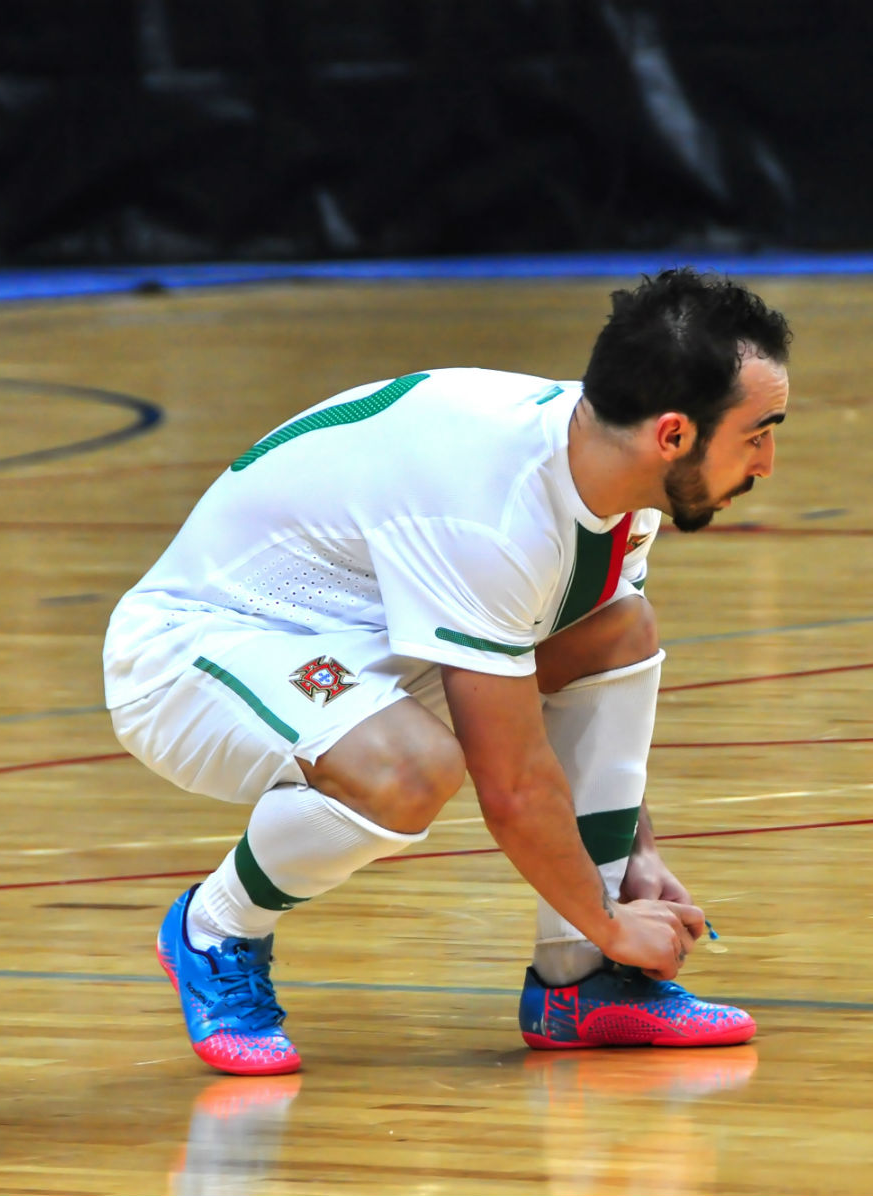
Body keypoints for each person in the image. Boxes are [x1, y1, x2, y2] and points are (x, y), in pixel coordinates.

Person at [103, 267, 791, 1075]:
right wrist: (614, 920)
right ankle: (214, 927)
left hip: (366, 637)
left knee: (616, 629)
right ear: (673, 435)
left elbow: (571, 705)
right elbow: (514, 785)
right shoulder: (493, 510)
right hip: (199, 651)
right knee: (406, 769)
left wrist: (631, 854)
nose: (769, 461)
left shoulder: (615, 459)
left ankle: (580, 983)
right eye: (759, 431)